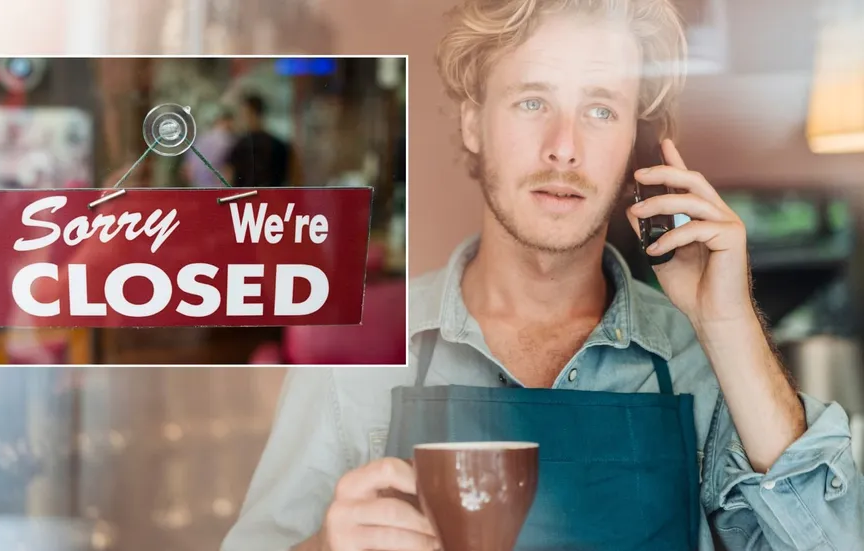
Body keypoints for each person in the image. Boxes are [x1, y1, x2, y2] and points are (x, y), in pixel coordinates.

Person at [222, 1, 864, 550]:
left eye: (602, 110)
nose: (565, 145)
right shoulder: (352, 363)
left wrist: (729, 327)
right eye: (533, 100)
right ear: (473, 124)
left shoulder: (704, 360)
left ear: (633, 143)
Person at [224, 92, 290, 187]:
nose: (241, 119)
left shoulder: (239, 146)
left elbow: (228, 176)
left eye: (243, 114)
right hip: (272, 199)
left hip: (244, 198)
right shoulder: (279, 145)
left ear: (252, 113)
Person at [184, 109, 235, 188]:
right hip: (218, 186)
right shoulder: (227, 139)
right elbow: (228, 167)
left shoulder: (201, 138)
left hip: (198, 184)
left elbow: (188, 167)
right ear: (227, 121)